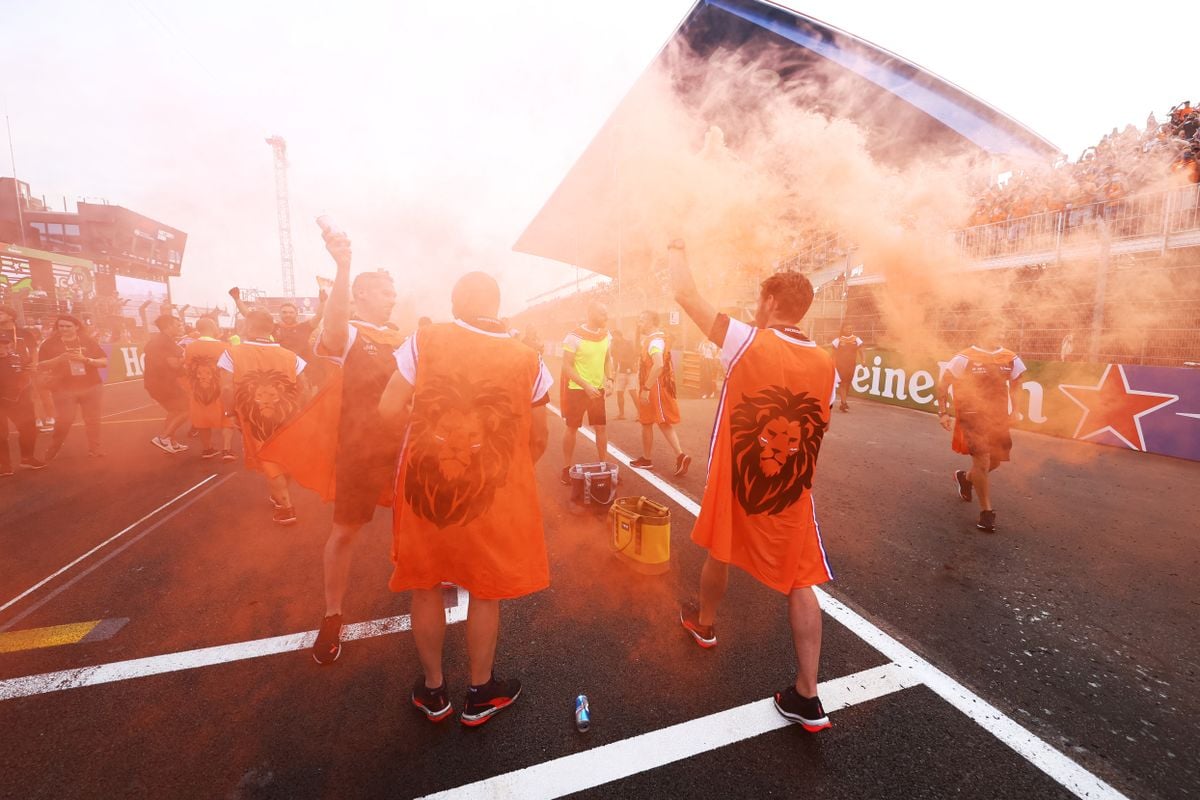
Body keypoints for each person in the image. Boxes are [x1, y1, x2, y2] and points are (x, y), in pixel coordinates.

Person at [668, 239, 838, 733]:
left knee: (720, 550)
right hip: (790, 489)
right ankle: (807, 695)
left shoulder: (748, 339)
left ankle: (705, 627)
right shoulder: (827, 365)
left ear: (768, 303)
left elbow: (684, 292)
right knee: (801, 580)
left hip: (739, 480)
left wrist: (678, 244)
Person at [378, 271, 552, 727]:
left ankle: (434, 692)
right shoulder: (529, 357)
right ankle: (480, 693)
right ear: (496, 305)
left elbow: (388, 410)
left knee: (426, 582)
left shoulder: (424, 340)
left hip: (424, 486)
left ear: (455, 305)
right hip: (489, 492)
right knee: (486, 589)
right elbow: (540, 438)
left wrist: (427, 444)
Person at [308, 232, 404, 665]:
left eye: (394, 292)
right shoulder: (347, 334)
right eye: (386, 292)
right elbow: (332, 328)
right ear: (361, 293)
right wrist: (343, 266)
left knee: (422, 521)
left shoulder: (402, 339)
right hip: (359, 449)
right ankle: (332, 614)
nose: (393, 299)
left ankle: (432, 580)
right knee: (345, 531)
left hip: (403, 446)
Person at [936, 318, 1027, 533]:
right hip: (971, 415)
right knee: (983, 461)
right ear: (982, 333)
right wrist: (943, 412)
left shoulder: (1010, 357)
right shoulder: (965, 357)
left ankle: (965, 478)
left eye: (1000, 329)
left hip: (998, 417)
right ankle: (987, 513)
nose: (998, 333)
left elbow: (1016, 386)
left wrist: (1015, 410)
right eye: (993, 329)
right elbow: (944, 382)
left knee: (995, 461)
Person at [218, 309, 307, 525]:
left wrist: (230, 412)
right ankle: (280, 496)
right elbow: (305, 387)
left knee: (268, 459)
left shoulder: (232, 353)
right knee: (283, 457)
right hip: (287, 415)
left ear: (248, 327)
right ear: (271, 329)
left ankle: (286, 508)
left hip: (253, 416)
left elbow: (227, 388)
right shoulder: (290, 355)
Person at [629, 310, 690, 476]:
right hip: (652, 386)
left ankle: (680, 455)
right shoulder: (653, 339)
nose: (639, 323)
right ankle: (647, 459)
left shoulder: (655, 341)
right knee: (646, 421)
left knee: (663, 422)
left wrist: (646, 389)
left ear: (651, 321)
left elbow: (658, 365)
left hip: (654, 387)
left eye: (642, 319)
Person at [38, 314, 108, 460]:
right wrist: (59, 359)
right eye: (61, 326)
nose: (64, 329)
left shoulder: (87, 341)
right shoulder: (49, 344)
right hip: (64, 388)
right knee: (64, 420)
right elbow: (41, 365)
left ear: (76, 327)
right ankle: (54, 449)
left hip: (91, 385)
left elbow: (104, 361)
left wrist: (86, 360)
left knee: (93, 419)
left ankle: (95, 449)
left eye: (68, 326)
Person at [559, 302, 613, 484]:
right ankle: (566, 468)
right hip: (577, 390)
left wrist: (610, 379)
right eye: (602, 313)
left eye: (607, 314)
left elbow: (608, 359)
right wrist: (585, 385)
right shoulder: (573, 336)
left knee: (601, 428)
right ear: (590, 313)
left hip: (597, 390)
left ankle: (604, 465)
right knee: (572, 428)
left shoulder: (606, 335)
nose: (606, 317)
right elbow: (566, 366)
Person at [184, 317, 236, 461]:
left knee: (202, 420)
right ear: (213, 327)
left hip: (199, 390)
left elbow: (188, 368)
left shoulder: (190, 347)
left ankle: (207, 448)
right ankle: (227, 449)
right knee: (227, 418)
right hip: (220, 390)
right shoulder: (225, 347)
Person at [0, 331, 47, 474]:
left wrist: (24, 387)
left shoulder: (17, 358)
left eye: (6, 345)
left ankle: (27, 458)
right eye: (0, 346)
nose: (3, 349)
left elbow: (27, 374)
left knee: (29, 429)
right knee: (1, 434)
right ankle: (4, 466)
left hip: (19, 400)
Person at [144, 315, 190, 454]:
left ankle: (172, 442)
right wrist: (186, 356)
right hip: (164, 383)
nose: (181, 327)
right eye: (178, 325)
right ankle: (163, 437)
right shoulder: (166, 343)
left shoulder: (158, 340)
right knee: (186, 408)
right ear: (168, 326)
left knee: (174, 411)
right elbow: (174, 364)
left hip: (157, 382)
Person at [0, 306, 51, 432]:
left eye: (1, 313)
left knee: (32, 395)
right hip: (4, 371)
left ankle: (37, 419)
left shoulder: (24, 332)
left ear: (11, 316)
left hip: (24, 369)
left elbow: (33, 349)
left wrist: (34, 363)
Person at [830, 323, 866, 412]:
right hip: (841, 365)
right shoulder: (838, 340)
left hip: (851, 365)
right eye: (847, 328)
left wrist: (863, 360)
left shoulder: (856, 339)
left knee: (848, 383)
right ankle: (843, 403)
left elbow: (861, 350)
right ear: (843, 329)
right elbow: (833, 354)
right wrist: (831, 363)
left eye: (851, 328)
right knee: (843, 383)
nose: (849, 330)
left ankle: (843, 401)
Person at [610, 329, 638, 419]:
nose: (614, 338)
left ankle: (641, 414)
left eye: (615, 336)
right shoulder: (614, 345)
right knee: (619, 393)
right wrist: (614, 372)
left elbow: (636, 355)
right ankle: (621, 414)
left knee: (632, 392)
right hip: (621, 371)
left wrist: (634, 365)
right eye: (613, 336)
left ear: (620, 335)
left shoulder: (629, 343)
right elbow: (614, 359)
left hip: (631, 371)